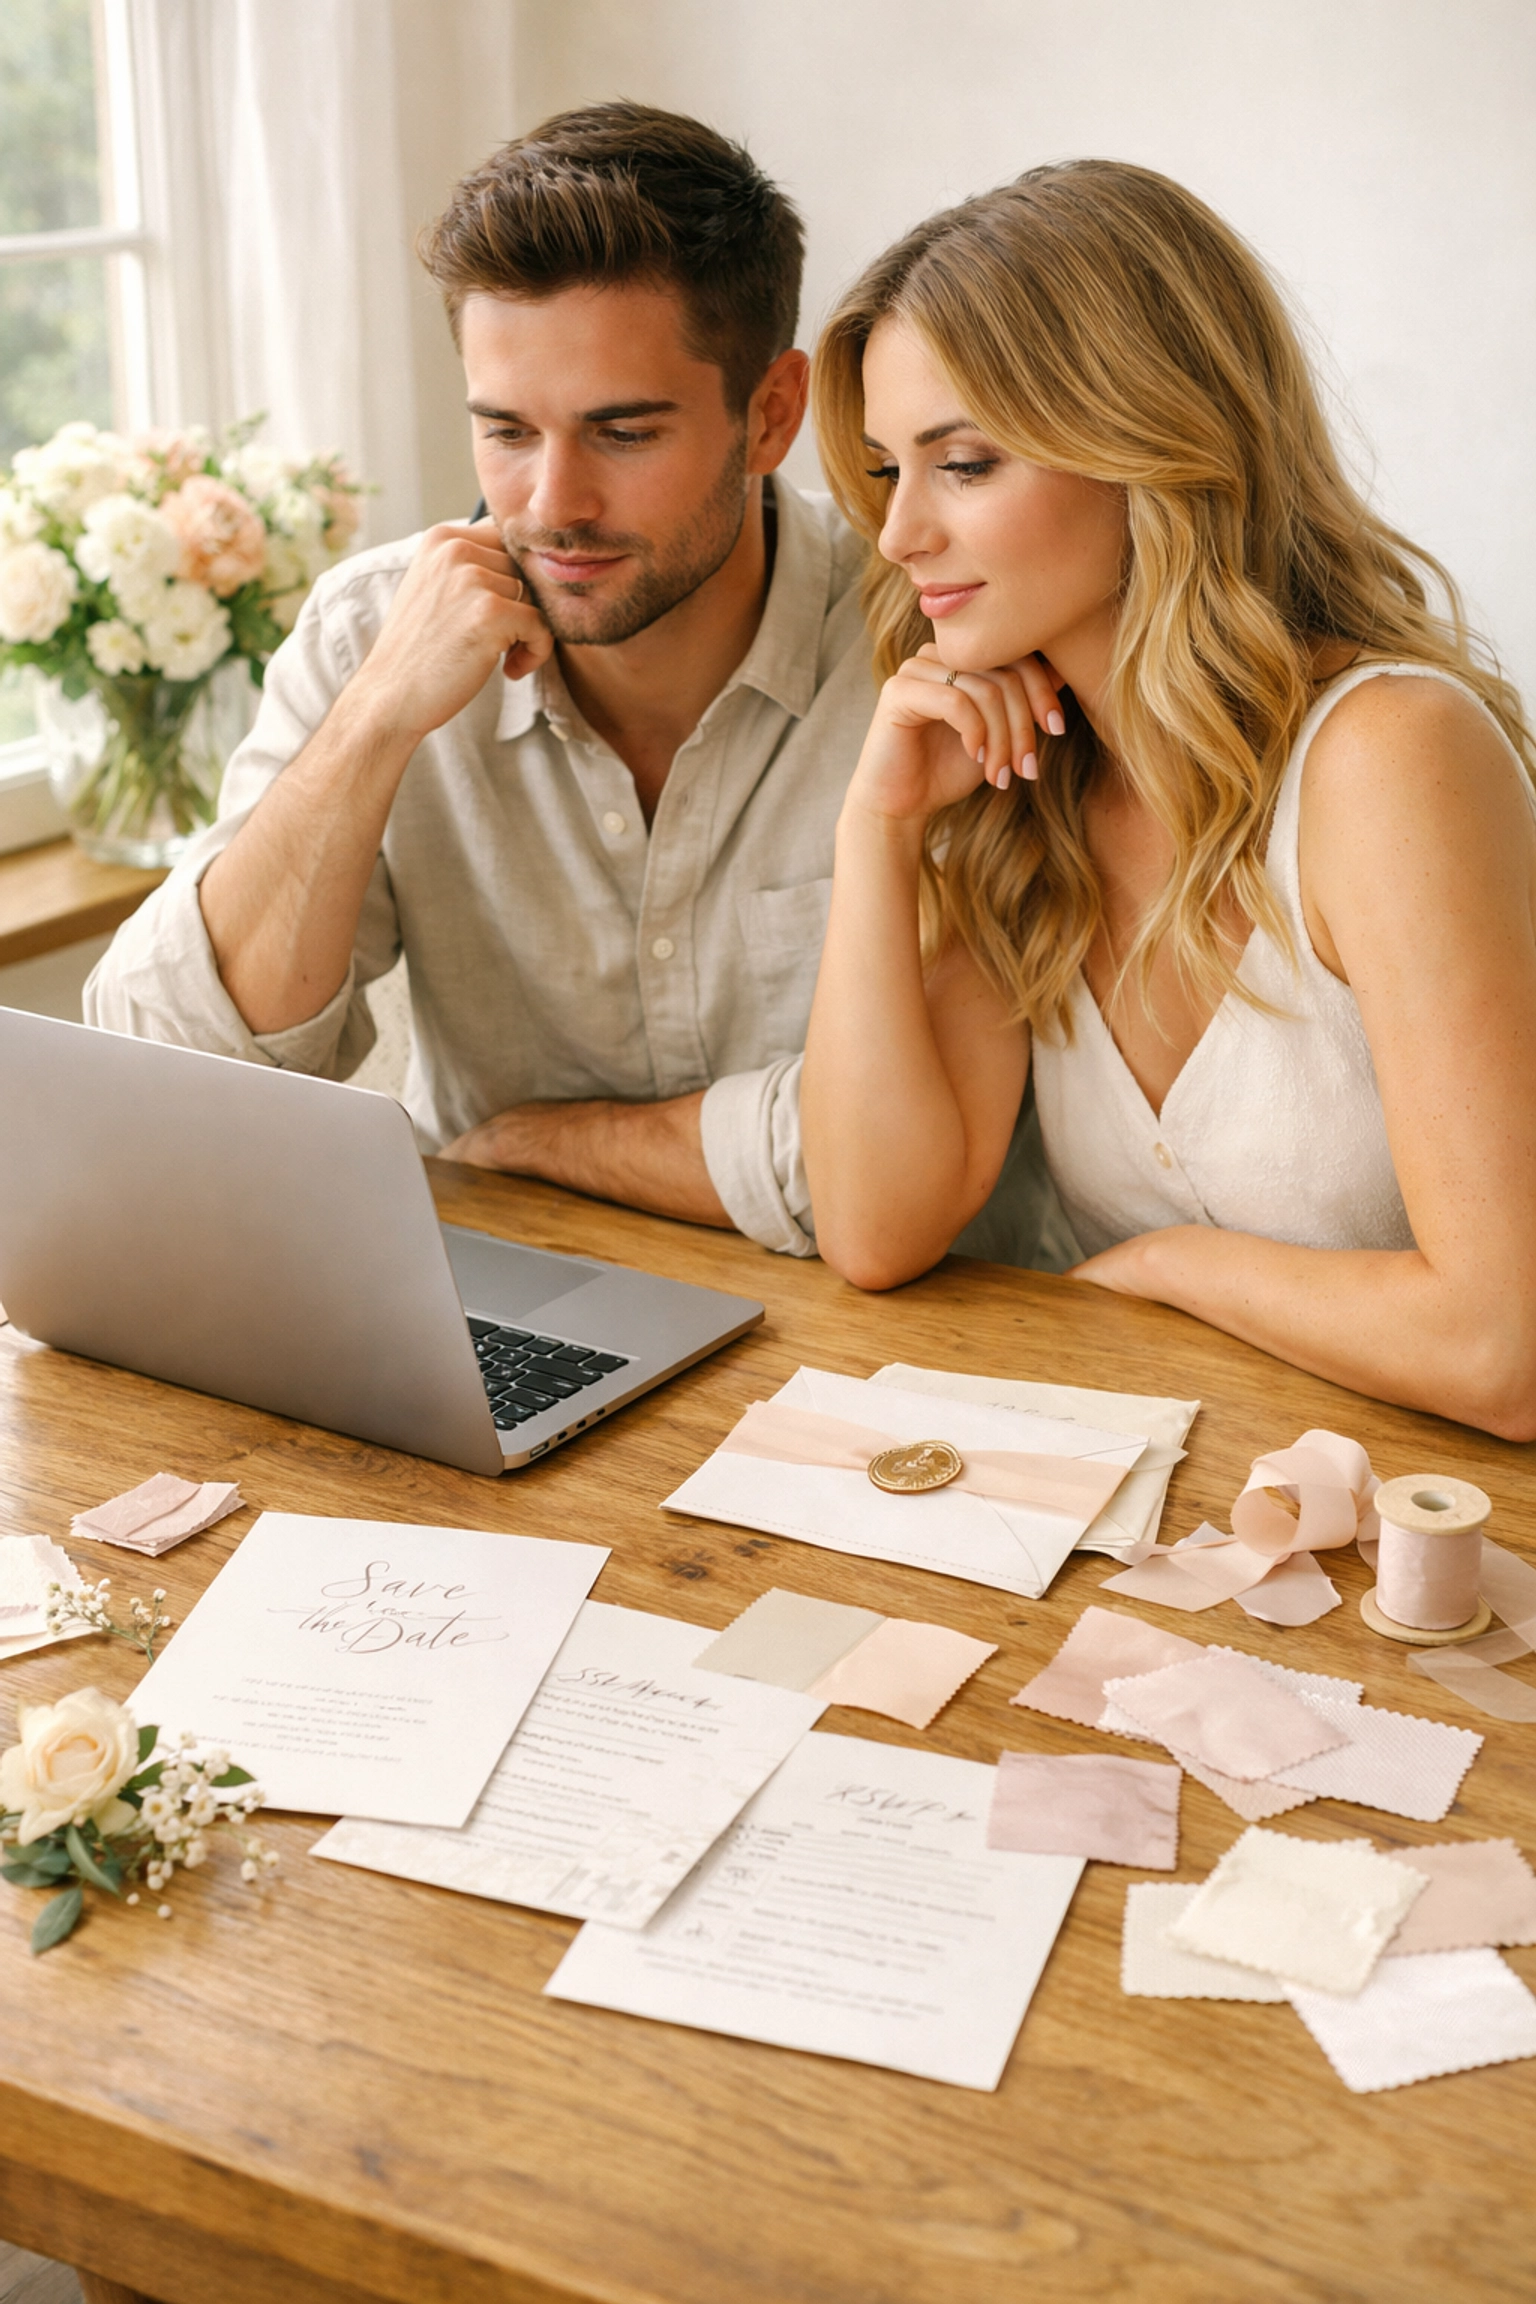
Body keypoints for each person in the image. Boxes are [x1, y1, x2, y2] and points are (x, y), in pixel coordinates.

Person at [800, 159, 1536, 1439]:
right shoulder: (1025, 788)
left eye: (962, 463)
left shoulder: (1389, 757)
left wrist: (1169, 1267)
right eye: (884, 471)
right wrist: (880, 831)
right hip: (1155, 1508)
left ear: (1145, 443)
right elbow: (874, 1230)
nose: (898, 533)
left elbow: (1504, 1349)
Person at [83, 105, 886, 1258]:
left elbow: (915, 1151)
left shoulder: (919, 635)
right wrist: (374, 718)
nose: (553, 505)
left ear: (769, 415)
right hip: (502, 1310)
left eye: (623, 433)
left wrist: (545, 1144)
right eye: (506, 432)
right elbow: (165, 1082)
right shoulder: (373, 633)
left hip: (908, 1328)